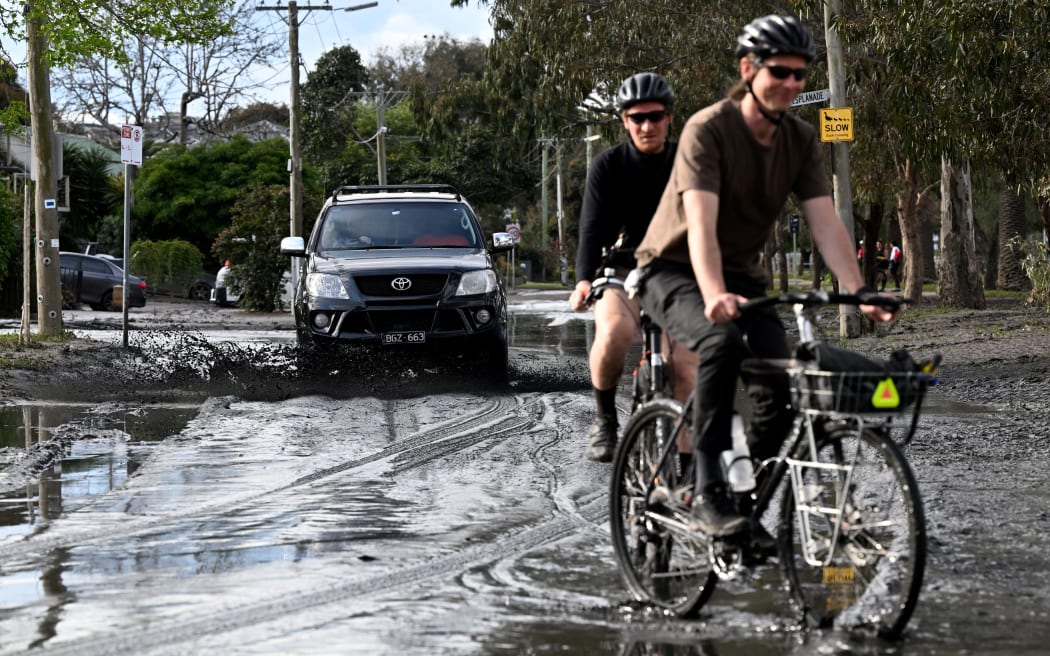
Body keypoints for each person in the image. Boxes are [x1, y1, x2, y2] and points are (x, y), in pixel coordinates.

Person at [632, 15, 897, 537]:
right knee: (722, 343)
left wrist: (859, 289)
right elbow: (702, 229)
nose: (793, 85)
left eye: (801, 75)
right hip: (670, 269)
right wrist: (713, 296)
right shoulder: (708, 129)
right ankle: (705, 490)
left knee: (782, 385)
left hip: (742, 276)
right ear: (748, 68)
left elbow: (825, 222)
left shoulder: (799, 140)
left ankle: (740, 502)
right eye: (781, 71)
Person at [568, 72, 698, 463]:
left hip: (678, 272)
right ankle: (606, 419)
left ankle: (689, 472)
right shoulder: (608, 165)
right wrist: (583, 280)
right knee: (616, 332)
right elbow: (590, 228)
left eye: (655, 116)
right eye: (637, 117)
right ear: (624, 120)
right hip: (622, 271)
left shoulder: (687, 161)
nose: (647, 125)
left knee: (684, 370)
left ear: (669, 118)